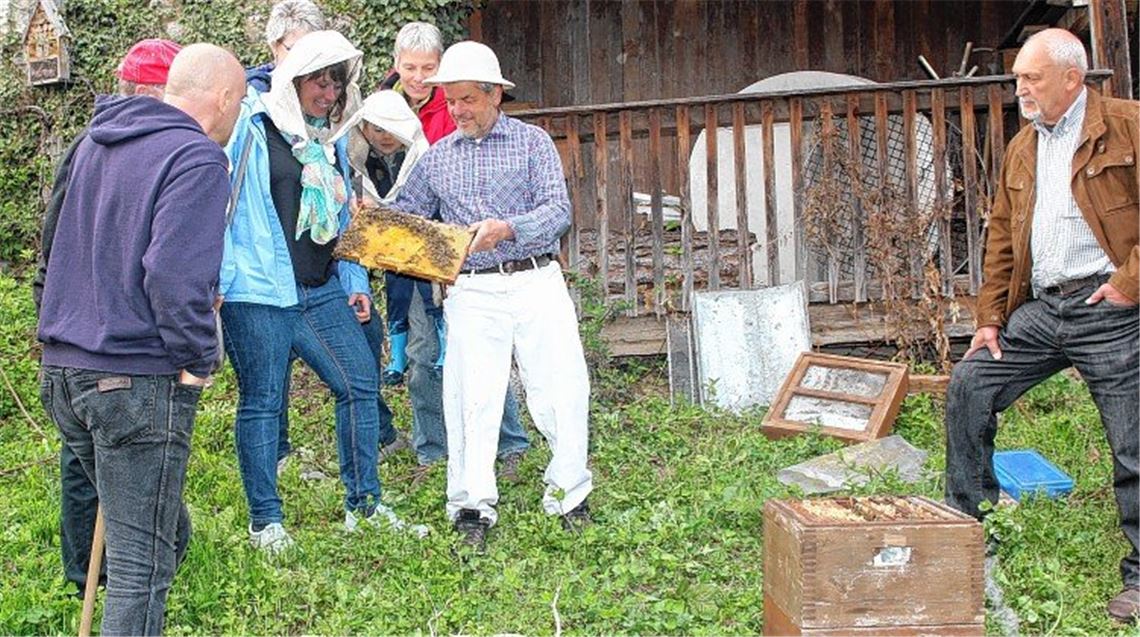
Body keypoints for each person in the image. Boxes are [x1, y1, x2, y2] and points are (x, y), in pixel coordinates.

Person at [37, 43, 246, 636]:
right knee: (139, 565)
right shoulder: (198, 158)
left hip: (64, 376)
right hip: (134, 378)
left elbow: (51, 252)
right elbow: (175, 277)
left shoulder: (89, 145)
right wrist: (198, 359)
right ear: (225, 98)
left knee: (158, 529)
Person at [943, 28, 1139, 623]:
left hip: (1109, 309)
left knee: (1133, 442)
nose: (1019, 88)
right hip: (1042, 310)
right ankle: (971, 533)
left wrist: (1129, 286)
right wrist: (991, 317)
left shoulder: (1129, 124)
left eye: (1030, 77)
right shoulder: (1024, 146)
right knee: (970, 386)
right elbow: (1002, 235)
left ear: (1072, 78)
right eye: (1018, 77)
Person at [220, 30, 423, 554]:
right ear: (293, 81)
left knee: (359, 383)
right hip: (259, 293)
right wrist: (218, 284)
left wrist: (355, 283)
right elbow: (220, 208)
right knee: (263, 403)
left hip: (318, 289)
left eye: (336, 84)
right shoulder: (250, 129)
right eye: (319, 81)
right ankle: (266, 522)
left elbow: (339, 222)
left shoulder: (326, 146)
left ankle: (365, 507)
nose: (328, 93)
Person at [392, 41, 593, 551]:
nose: (457, 109)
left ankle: (570, 495)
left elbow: (558, 212)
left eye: (467, 99)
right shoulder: (435, 158)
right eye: (450, 100)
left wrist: (507, 229)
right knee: (471, 397)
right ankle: (470, 507)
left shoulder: (532, 143)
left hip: (536, 279)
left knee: (561, 387)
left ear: (495, 95)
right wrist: (368, 214)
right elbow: (406, 218)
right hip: (473, 290)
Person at [32, 37, 182, 600]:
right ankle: (86, 574)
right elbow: (56, 236)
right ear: (152, 92)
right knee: (85, 461)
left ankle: (127, 572)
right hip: (93, 339)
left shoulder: (139, 150)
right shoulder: (91, 148)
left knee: (112, 462)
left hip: (98, 335)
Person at [385, 22, 530, 475]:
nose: (417, 76)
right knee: (422, 354)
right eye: (411, 67)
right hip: (408, 250)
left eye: (428, 68)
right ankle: (433, 449)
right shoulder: (379, 107)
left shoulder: (454, 115)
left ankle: (508, 443)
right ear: (397, 67)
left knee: (479, 351)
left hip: (461, 254)